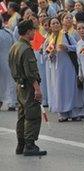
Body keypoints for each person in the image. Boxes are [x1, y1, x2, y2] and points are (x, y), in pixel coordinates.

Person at [8, 20, 47, 156]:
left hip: (19, 85)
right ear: (28, 31)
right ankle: (29, 145)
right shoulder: (26, 48)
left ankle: (21, 144)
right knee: (32, 115)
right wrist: (37, 89)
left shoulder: (15, 46)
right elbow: (31, 72)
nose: (34, 32)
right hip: (29, 86)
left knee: (22, 115)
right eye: (33, 30)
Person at [0, 16, 17, 111]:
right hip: (9, 61)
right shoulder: (9, 32)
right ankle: (12, 102)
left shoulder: (8, 32)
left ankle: (8, 101)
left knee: (6, 82)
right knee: (9, 82)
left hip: (6, 60)